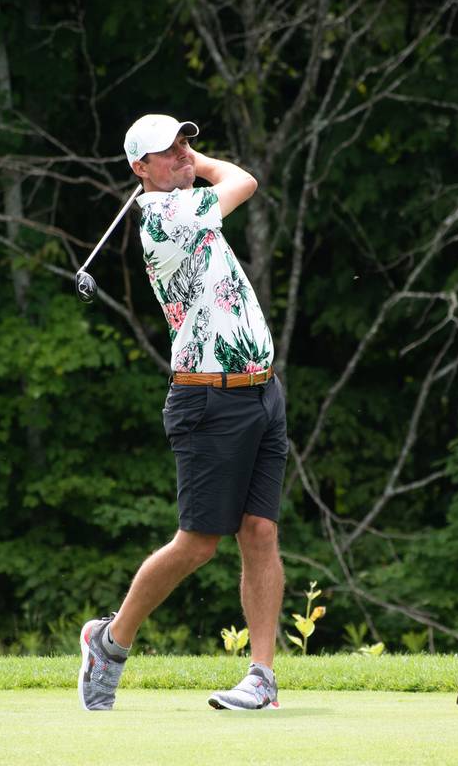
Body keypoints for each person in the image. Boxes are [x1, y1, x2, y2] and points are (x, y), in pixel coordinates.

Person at [78, 114, 288, 712]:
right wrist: (201, 164)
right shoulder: (166, 215)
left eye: (185, 143)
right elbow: (244, 180)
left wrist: (187, 162)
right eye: (166, 151)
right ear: (139, 169)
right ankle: (110, 642)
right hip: (208, 400)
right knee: (198, 543)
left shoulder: (189, 202)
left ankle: (262, 678)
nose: (182, 155)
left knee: (261, 532)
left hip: (261, 391)